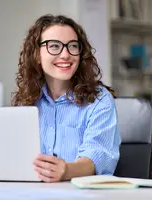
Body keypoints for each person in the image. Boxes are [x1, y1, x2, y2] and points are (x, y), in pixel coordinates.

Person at [12, 14, 121, 183]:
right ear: (36, 55)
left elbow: (98, 157)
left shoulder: (100, 100)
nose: (65, 55)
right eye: (54, 46)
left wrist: (67, 170)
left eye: (72, 46)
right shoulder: (26, 102)